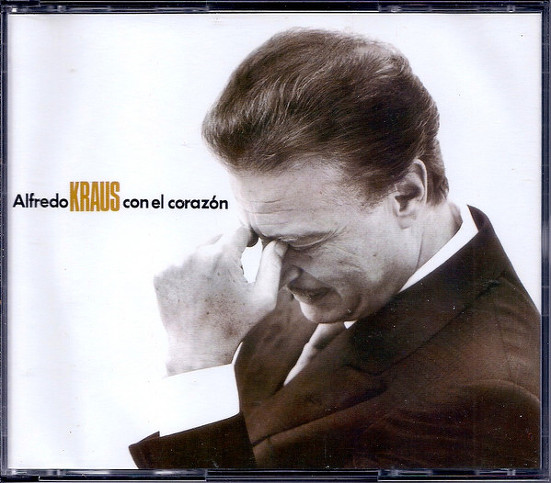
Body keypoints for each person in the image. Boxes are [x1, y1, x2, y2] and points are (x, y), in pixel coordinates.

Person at [129, 29, 540, 469]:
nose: (278, 276)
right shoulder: (333, 269)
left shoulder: (487, 401)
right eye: (263, 238)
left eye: (304, 242)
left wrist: (197, 365)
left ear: (406, 193)